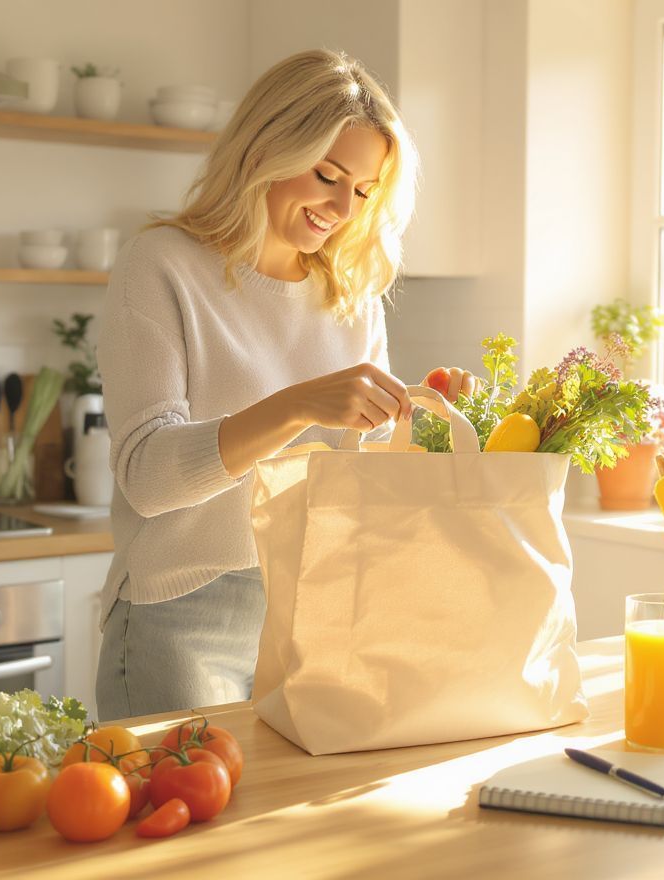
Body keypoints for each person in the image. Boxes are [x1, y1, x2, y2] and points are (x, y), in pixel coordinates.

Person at [95, 49, 479, 721]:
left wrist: (423, 415)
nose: (341, 207)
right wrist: (298, 405)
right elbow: (147, 479)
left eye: (362, 192)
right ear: (265, 148)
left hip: (315, 612)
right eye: (328, 175)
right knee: (191, 828)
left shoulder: (349, 296)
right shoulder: (161, 266)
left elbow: (360, 475)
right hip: (182, 616)